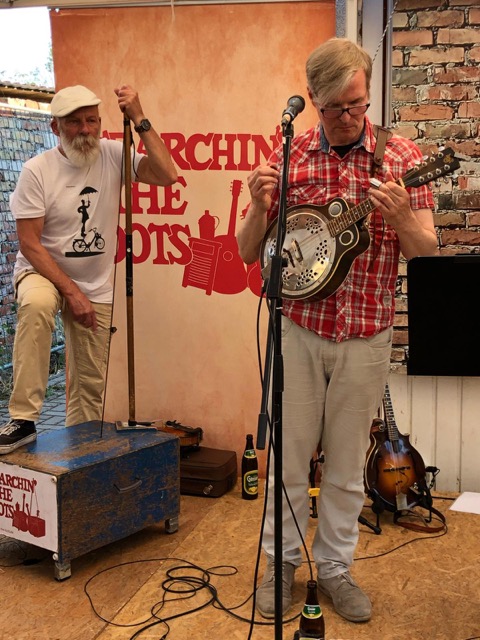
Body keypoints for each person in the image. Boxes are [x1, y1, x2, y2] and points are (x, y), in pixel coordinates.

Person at [236, 37, 437, 623]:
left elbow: (425, 250)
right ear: (313, 100)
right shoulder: (289, 155)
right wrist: (257, 208)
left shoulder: (403, 157)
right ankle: (280, 565)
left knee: (347, 467)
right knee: (288, 461)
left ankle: (336, 569)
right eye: (334, 108)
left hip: (367, 335)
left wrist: (401, 217)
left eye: (357, 105)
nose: (348, 117)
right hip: (298, 331)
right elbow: (248, 251)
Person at [0, 84, 177, 455]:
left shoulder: (113, 154)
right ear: (56, 128)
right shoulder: (37, 170)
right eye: (74, 122)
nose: (85, 129)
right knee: (36, 305)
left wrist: (140, 118)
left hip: (95, 284)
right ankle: (24, 420)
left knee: (90, 385)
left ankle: (78, 453)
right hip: (42, 272)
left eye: (92, 120)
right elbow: (30, 244)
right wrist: (71, 291)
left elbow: (167, 174)